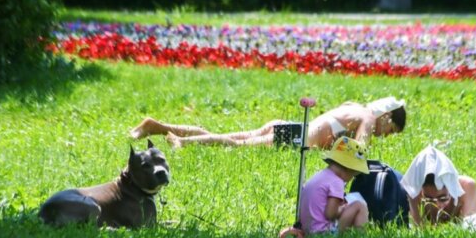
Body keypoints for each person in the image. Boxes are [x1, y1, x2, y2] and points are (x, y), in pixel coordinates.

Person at [129, 97, 407, 149]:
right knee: (235, 145)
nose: (385, 135)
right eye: (390, 130)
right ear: (386, 116)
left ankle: (156, 125)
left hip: (292, 127)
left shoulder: (353, 106)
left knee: (226, 136)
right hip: (298, 137)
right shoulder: (369, 117)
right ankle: (182, 140)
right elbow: (358, 149)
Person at [298, 136, 370, 236]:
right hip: (324, 233)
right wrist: (343, 208)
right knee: (359, 205)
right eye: (353, 175)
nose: (351, 178)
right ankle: (360, 237)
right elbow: (330, 214)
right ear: (348, 169)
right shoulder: (337, 182)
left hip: (307, 230)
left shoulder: (320, 176)